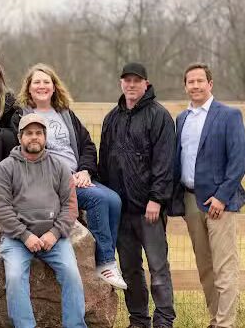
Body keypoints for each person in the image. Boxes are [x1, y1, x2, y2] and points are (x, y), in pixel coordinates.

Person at [11, 63, 126, 290]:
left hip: (78, 176)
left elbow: (87, 146)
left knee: (114, 199)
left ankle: (109, 259)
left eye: (47, 82)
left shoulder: (65, 114)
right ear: (29, 88)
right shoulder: (22, 116)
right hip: (51, 181)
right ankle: (104, 263)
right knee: (98, 199)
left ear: (54, 87)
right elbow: (26, 153)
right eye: (37, 82)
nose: (42, 86)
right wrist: (63, 176)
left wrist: (85, 170)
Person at [97, 62, 178, 328]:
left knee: (158, 268)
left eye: (136, 81)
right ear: (121, 83)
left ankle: (164, 320)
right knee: (131, 270)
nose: (131, 85)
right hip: (121, 210)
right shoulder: (112, 118)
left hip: (149, 209)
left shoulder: (159, 116)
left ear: (146, 83)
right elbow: (104, 162)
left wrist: (157, 198)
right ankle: (138, 320)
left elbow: (165, 162)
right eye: (126, 80)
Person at [0, 113, 87, 328]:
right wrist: (25, 236)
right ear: (20, 137)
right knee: (15, 278)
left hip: (54, 238)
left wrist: (54, 233)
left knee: (72, 274)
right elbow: (2, 209)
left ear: (45, 137)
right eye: (29, 133)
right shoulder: (5, 168)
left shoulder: (59, 166)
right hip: (17, 239)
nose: (34, 137)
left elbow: (70, 206)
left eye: (38, 133)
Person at [176, 63, 245, 328]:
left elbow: (238, 161)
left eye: (199, 81)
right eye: (190, 82)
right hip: (191, 200)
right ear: (185, 86)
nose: (195, 86)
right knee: (205, 267)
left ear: (210, 84)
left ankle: (226, 323)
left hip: (219, 202)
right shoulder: (181, 119)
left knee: (224, 267)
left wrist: (222, 197)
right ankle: (215, 320)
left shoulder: (229, 115)